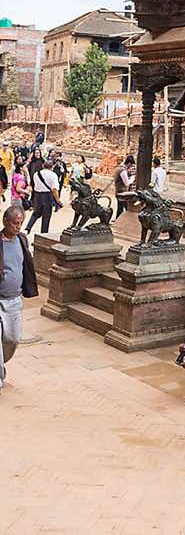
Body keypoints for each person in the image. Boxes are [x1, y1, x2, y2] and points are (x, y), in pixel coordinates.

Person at [0, 203, 38, 392]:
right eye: (15, 223)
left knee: (12, 340)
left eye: (21, 223)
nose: (18, 226)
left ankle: (1, 363)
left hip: (14, 300)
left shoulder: (22, 240)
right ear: (5, 221)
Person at [25, 160, 61, 234]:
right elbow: (54, 189)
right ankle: (43, 233)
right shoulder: (53, 175)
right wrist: (58, 200)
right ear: (52, 167)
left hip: (37, 195)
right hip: (47, 196)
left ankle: (28, 228)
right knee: (46, 216)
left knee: (36, 213)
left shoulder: (36, 174)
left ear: (43, 166)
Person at [113, 156, 136, 220]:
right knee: (126, 208)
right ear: (128, 163)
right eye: (131, 165)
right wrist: (132, 179)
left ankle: (117, 220)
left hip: (119, 191)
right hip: (122, 193)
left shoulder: (119, 168)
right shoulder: (122, 170)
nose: (130, 167)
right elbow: (126, 183)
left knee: (120, 208)